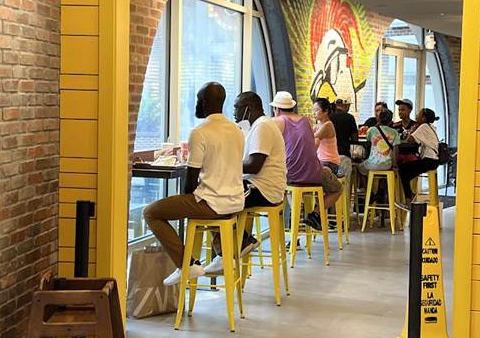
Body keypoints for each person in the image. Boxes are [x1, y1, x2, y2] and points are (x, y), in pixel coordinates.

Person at [143, 82, 245, 286]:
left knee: (151, 212)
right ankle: (224, 255)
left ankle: (187, 264)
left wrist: (185, 200)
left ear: (204, 102)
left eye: (198, 100)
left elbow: (190, 180)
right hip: (236, 202)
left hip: (213, 204)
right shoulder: (237, 131)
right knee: (203, 200)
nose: (196, 104)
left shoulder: (200, 132)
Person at [204, 90, 288, 275]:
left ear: (248, 109)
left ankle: (231, 249)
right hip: (258, 185)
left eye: (237, 108)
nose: (234, 112)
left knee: (210, 197)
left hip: (263, 189)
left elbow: (254, 166)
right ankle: (238, 242)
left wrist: (222, 163)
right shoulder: (258, 126)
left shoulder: (263, 127)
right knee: (208, 193)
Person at [270, 90, 341, 232]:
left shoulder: (276, 122)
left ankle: (295, 220)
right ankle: (313, 213)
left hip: (291, 174)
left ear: (276, 109)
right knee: (337, 189)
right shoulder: (305, 121)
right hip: (314, 172)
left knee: (287, 186)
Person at [396, 107, 442, 207]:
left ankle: (408, 199)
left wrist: (412, 130)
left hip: (429, 160)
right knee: (406, 173)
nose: (417, 115)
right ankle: (411, 195)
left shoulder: (423, 127)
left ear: (424, 118)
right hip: (434, 161)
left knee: (403, 169)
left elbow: (410, 140)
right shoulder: (430, 127)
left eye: (419, 114)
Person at [312, 97, 341, 174]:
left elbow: (311, 137)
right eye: (313, 110)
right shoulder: (318, 125)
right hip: (322, 161)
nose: (314, 113)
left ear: (325, 111)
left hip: (330, 163)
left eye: (316, 110)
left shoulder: (328, 125)